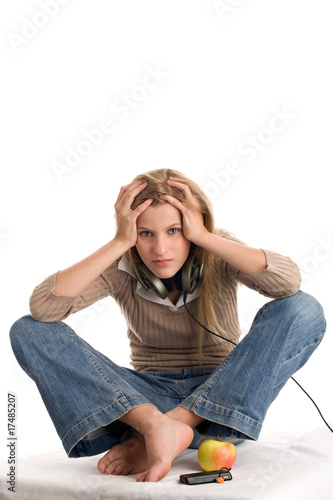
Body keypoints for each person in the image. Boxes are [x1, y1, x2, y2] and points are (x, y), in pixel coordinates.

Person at [10, 168, 326, 483]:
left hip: (221, 398)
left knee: (303, 308)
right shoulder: (124, 262)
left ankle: (172, 427)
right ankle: (154, 427)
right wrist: (120, 241)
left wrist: (204, 236)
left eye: (173, 230)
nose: (160, 249)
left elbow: (288, 283)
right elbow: (42, 308)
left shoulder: (217, 249)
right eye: (146, 233)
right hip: (146, 399)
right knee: (28, 331)